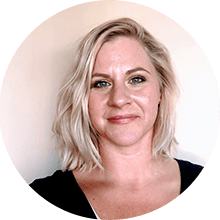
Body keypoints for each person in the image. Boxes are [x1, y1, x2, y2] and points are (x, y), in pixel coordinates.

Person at [29, 18, 203, 220]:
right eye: (101, 83)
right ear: (83, 99)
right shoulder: (42, 198)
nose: (119, 99)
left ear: (161, 91)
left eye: (136, 79)